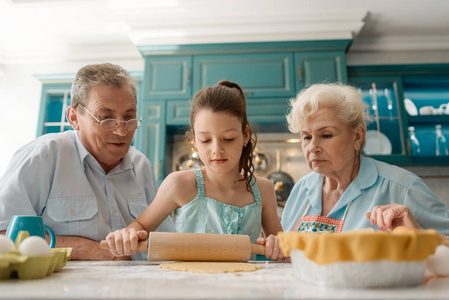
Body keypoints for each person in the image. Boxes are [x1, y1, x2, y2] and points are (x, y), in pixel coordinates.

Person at [0, 63, 174, 260]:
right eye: (106, 118)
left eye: (129, 117)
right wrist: (89, 249)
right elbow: (5, 235)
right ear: (74, 117)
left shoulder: (142, 166)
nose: (122, 131)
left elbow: (164, 239)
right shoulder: (44, 156)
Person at [106, 81, 284, 260]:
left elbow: (282, 249)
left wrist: (278, 246)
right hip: (189, 286)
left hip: (244, 287)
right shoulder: (180, 184)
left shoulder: (263, 190)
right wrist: (127, 234)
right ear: (194, 140)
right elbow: (141, 226)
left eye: (228, 139)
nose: (217, 149)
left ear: (245, 135)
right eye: (206, 140)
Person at [281, 83, 449, 242]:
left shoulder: (403, 188)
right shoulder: (301, 189)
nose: (313, 147)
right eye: (306, 137)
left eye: (326, 135)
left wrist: (419, 235)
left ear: (358, 135)